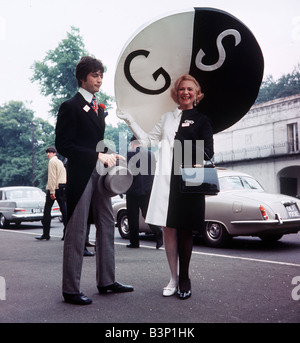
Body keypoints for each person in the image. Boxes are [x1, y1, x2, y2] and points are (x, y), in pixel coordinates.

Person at [117, 74, 214, 300]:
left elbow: (208, 152)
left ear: (197, 93)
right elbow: (148, 140)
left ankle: (185, 278)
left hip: (190, 178)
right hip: (166, 179)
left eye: (190, 89)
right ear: (176, 93)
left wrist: (178, 144)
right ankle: (172, 277)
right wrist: (129, 120)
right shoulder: (167, 117)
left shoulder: (202, 120)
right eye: (181, 89)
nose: (185, 92)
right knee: (169, 228)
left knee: (185, 228)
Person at [55, 56, 134, 305]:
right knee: (77, 231)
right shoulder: (70, 106)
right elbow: (64, 145)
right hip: (80, 175)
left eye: (101, 75)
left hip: (99, 172)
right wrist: (97, 155)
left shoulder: (98, 106)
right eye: (95, 75)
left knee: (107, 224)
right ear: (82, 78)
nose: (99, 79)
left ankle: (107, 281)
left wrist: (108, 153)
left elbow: (93, 142)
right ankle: (70, 289)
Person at [126, 135, 163, 249]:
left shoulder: (131, 153)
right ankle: (158, 231)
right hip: (147, 189)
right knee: (147, 214)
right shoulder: (150, 154)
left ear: (133, 143)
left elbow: (129, 172)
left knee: (133, 217)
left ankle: (135, 242)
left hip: (133, 190)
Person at [35, 147, 67, 241]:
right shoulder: (60, 162)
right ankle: (67, 234)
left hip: (55, 188)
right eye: (47, 152)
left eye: (50, 152)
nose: (48, 154)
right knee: (64, 211)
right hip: (62, 186)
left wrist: (52, 192)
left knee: (47, 211)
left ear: (54, 153)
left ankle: (46, 234)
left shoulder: (52, 162)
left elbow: (52, 177)